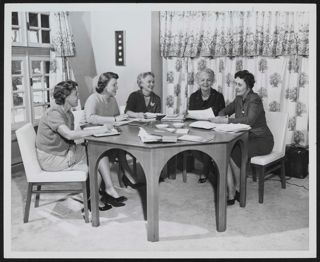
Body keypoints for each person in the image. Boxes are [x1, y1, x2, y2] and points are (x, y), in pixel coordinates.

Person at [35, 80, 127, 211]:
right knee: (95, 160)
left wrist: (72, 149)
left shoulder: (69, 113)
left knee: (99, 153)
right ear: (65, 97)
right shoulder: (54, 113)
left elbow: (70, 139)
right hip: (51, 158)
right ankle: (95, 197)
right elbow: (69, 135)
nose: (78, 96)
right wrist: (99, 130)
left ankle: (103, 191)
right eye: (75, 94)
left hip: (63, 152)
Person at [211, 70, 274, 205]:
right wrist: (221, 116)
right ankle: (232, 191)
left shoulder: (255, 99)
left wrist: (227, 121)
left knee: (234, 152)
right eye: (235, 84)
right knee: (225, 152)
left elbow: (249, 120)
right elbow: (225, 110)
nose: (236, 87)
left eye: (239, 85)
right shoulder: (239, 98)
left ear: (248, 86)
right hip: (246, 138)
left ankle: (240, 189)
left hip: (261, 140)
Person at [84, 72, 142, 189]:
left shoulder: (112, 99)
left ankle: (125, 177)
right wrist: (114, 119)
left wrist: (124, 120)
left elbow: (116, 118)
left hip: (106, 135)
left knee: (122, 147)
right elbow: (90, 118)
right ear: (105, 86)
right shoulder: (93, 98)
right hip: (90, 138)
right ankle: (102, 190)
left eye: (117, 84)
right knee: (110, 151)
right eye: (114, 85)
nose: (117, 87)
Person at [188, 68, 225, 183]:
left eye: (208, 80)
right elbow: (192, 114)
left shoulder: (218, 96)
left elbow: (222, 113)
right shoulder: (193, 96)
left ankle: (205, 171)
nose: (205, 83)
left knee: (209, 145)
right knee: (193, 146)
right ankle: (212, 168)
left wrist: (217, 118)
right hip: (197, 127)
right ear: (198, 82)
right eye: (202, 80)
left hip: (213, 129)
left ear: (212, 81)